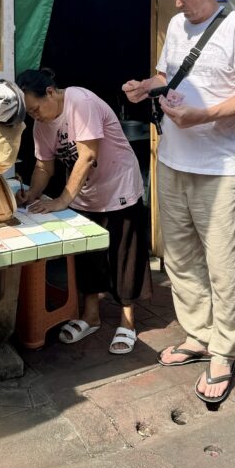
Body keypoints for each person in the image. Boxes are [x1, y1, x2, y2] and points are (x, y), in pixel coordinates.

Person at [123, 0, 235, 404]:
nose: (179, 2)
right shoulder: (177, 25)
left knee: (220, 262)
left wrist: (202, 115)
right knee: (179, 257)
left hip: (217, 166)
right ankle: (198, 334)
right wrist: (147, 86)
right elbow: (168, 75)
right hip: (171, 159)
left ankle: (224, 350)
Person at [15, 68, 152, 355]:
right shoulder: (42, 124)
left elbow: (88, 155)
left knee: (122, 258)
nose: (35, 115)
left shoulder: (80, 101)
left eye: (36, 108)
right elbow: (43, 166)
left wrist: (62, 199)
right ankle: (91, 317)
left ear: (50, 91)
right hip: (85, 195)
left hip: (119, 189)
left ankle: (127, 322)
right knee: (89, 259)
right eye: (30, 112)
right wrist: (31, 196)